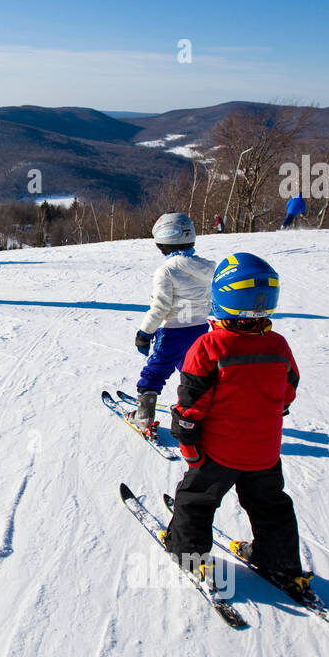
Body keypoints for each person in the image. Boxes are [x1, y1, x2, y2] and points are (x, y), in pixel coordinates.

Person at [163, 252, 310, 596]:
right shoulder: (278, 345)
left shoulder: (209, 347)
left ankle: (187, 552)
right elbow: (289, 389)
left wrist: (189, 449)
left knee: (195, 499)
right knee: (270, 505)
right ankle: (281, 562)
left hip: (218, 453)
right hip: (265, 454)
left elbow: (190, 406)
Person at [128, 212, 215, 433]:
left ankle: (144, 416)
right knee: (193, 371)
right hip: (200, 330)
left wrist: (145, 333)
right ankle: (196, 410)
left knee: (156, 370)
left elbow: (160, 307)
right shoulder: (207, 268)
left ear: (163, 243)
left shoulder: (166, 271)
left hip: (173, 332)